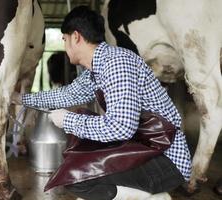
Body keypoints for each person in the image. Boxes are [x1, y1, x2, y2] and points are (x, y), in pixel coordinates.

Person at [12, 6, 191, 200]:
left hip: (166, 160)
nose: (65, 46)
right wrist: (20, 98)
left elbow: (121, 128)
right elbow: (66, 95)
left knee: (78, 178)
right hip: (144, 148)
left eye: (64, 40)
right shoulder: (97, 67)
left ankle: (154, 197)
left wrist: (68, 120)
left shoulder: (117, 63)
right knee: (76, 161)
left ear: (76, 37)